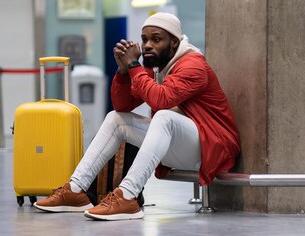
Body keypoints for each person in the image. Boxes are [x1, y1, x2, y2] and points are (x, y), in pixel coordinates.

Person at [34, 12, 240, 221]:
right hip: (184, 146)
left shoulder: (193, 65)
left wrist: (134, 65)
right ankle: (75, 190)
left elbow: (160, 100)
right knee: (116, 119)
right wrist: (123, 72)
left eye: (156, 39)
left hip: (211, 147)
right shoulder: (158, 67)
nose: (147, 45)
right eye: (144, 39)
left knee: (163, 117)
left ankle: (127, 196)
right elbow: (123, 105)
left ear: (174, 42)